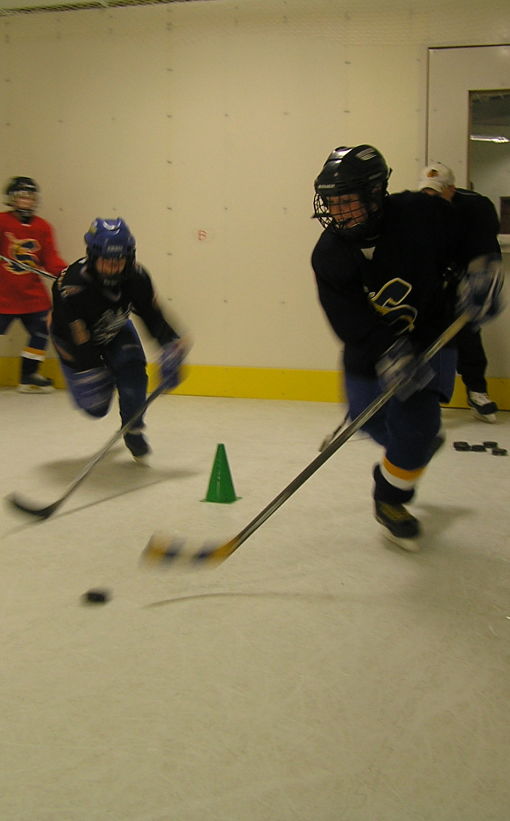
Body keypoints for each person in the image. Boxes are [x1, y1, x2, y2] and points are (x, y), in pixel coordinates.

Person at [311, 145, 502, 551]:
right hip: (369, 351)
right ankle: (409, 447)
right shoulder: (328, 254)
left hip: (430, 338)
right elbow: (348, 320)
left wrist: (483, 264)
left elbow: (476, 213)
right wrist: (389, 351)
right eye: (332, 201)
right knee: (370, 421)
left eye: (349, 200)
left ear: (376, 193)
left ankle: (390, 498)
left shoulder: (418, 212)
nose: (339, 211)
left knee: (415, 429)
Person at [50, 218, 187, 462]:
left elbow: (153, 317)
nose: (114, 267)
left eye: (120, 260)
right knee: (96, 408)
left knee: (133, 372)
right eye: (106, 261)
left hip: (114, 328)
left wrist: (171, 345)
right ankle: (108, 379)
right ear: (92, 257)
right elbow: (75, 336)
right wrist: (89, 369)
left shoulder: (137, 277)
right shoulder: (70, 287)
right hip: (75, 343)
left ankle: (133, 430)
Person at [418, 161, 502, 423]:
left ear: (452, 189)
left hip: (468, 273)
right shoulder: (416, 209)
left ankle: (477, 391)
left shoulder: (478, 208)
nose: (431, 198)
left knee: (467, 332)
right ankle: (426, 397)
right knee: (427, 333)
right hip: (436, 275)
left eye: (438, 192)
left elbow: (487, 250)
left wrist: (482, 282)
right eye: (427, 192)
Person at [0, 176, 67, 392]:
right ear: (12, 199)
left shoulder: (43, 227)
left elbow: (50, 259)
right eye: (21, 197)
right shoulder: (1, 221)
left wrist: (66, 273)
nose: (26, 201)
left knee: (42, 330)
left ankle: (28, 375)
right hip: (3, 294)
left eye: (30, 196)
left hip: (32, 295)